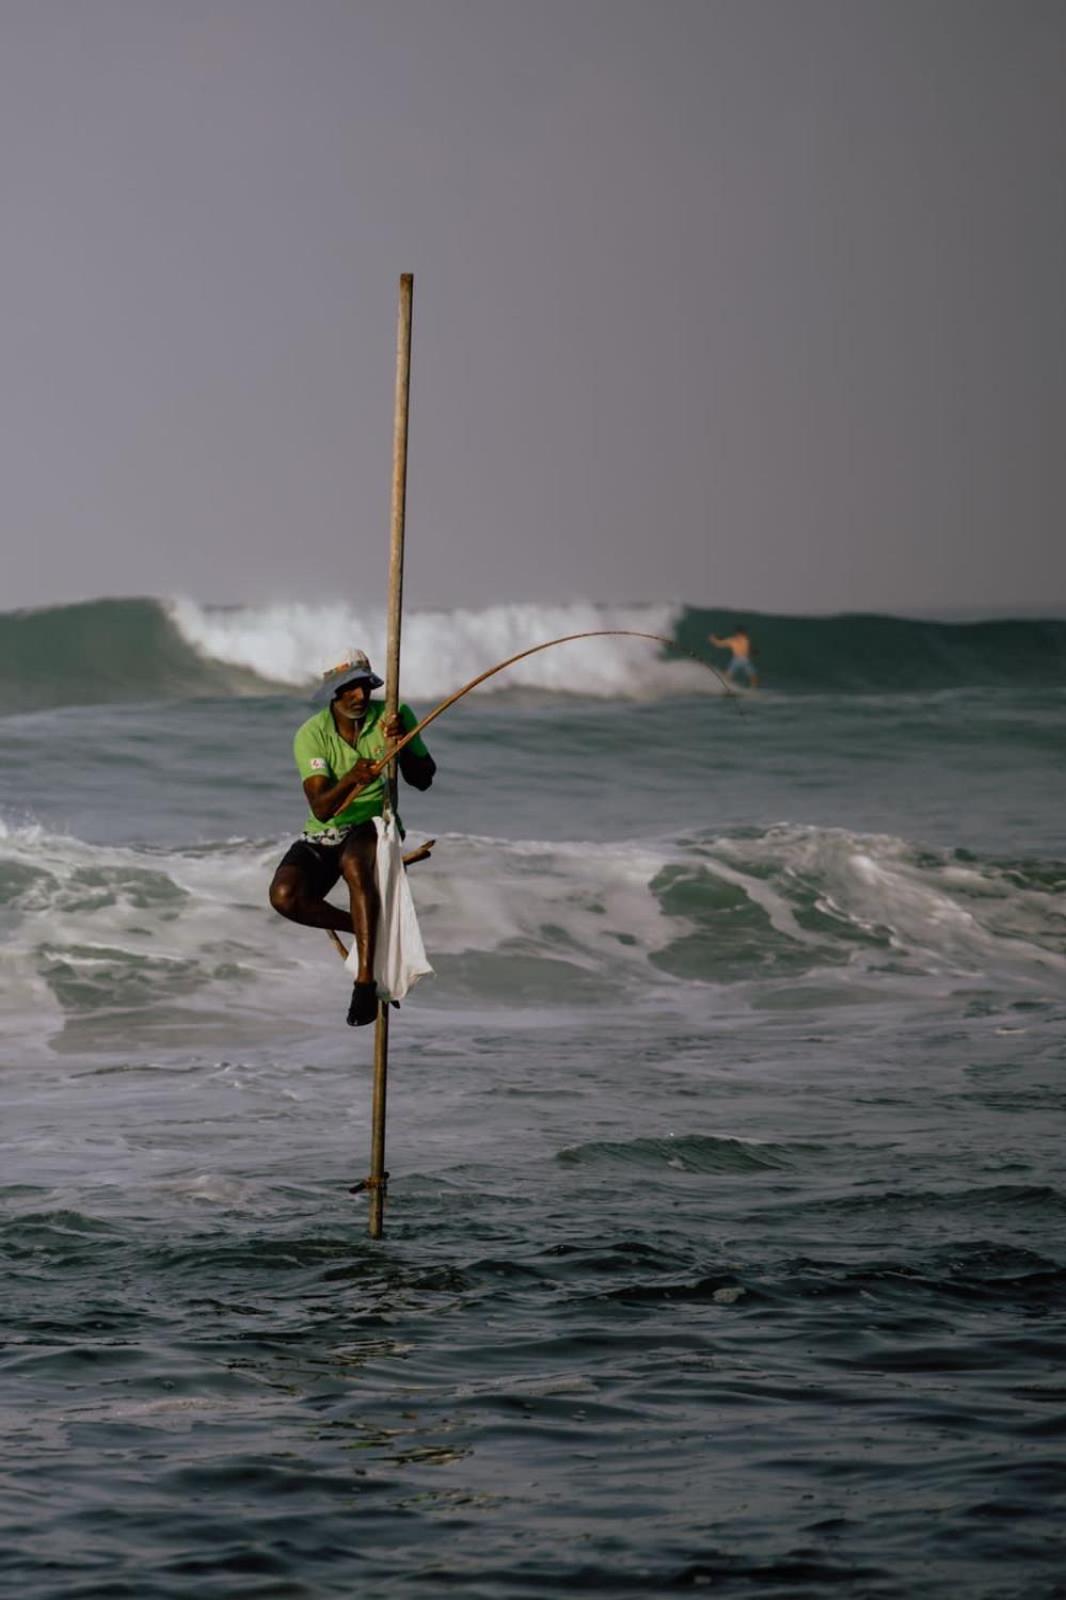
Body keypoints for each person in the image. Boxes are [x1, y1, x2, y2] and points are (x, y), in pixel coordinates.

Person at [268, 649, 436, 1027]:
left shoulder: (394, 715)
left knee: (355, 862)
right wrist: (350, 779)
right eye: (349, 689)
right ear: (333, 692)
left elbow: (423, 779)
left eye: (364, 687)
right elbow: (323, 808)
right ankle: (366, 930)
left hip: (373, 825)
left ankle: (364, 981)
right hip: (324, 832)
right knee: (284, 897)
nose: (359, 696)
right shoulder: (312, 734)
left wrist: (404, 741)